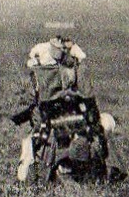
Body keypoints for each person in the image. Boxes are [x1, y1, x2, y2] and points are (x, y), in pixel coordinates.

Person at [15, 34, 104, 181]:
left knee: (31, 142)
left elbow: (22, 114)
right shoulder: (76, 71)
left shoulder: (39, 75)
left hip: (50, 131)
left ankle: (39, 168)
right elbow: (90, 105)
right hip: (69, 129)